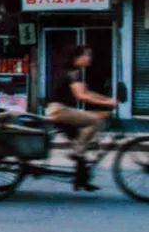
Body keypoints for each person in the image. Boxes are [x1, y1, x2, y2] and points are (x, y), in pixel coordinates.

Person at [46, 45, 117, 191]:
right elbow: (82, 96)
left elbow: (88, 92)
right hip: (59, 110)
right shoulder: (71, 73)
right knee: (94, 121)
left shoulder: (76, 72)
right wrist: (107, 102)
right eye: (86, 55)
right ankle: (77, 152)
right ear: (77, 57)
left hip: (63, 110)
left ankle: (81, 179)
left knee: (81, 138)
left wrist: (107, 99)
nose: (89, 58)